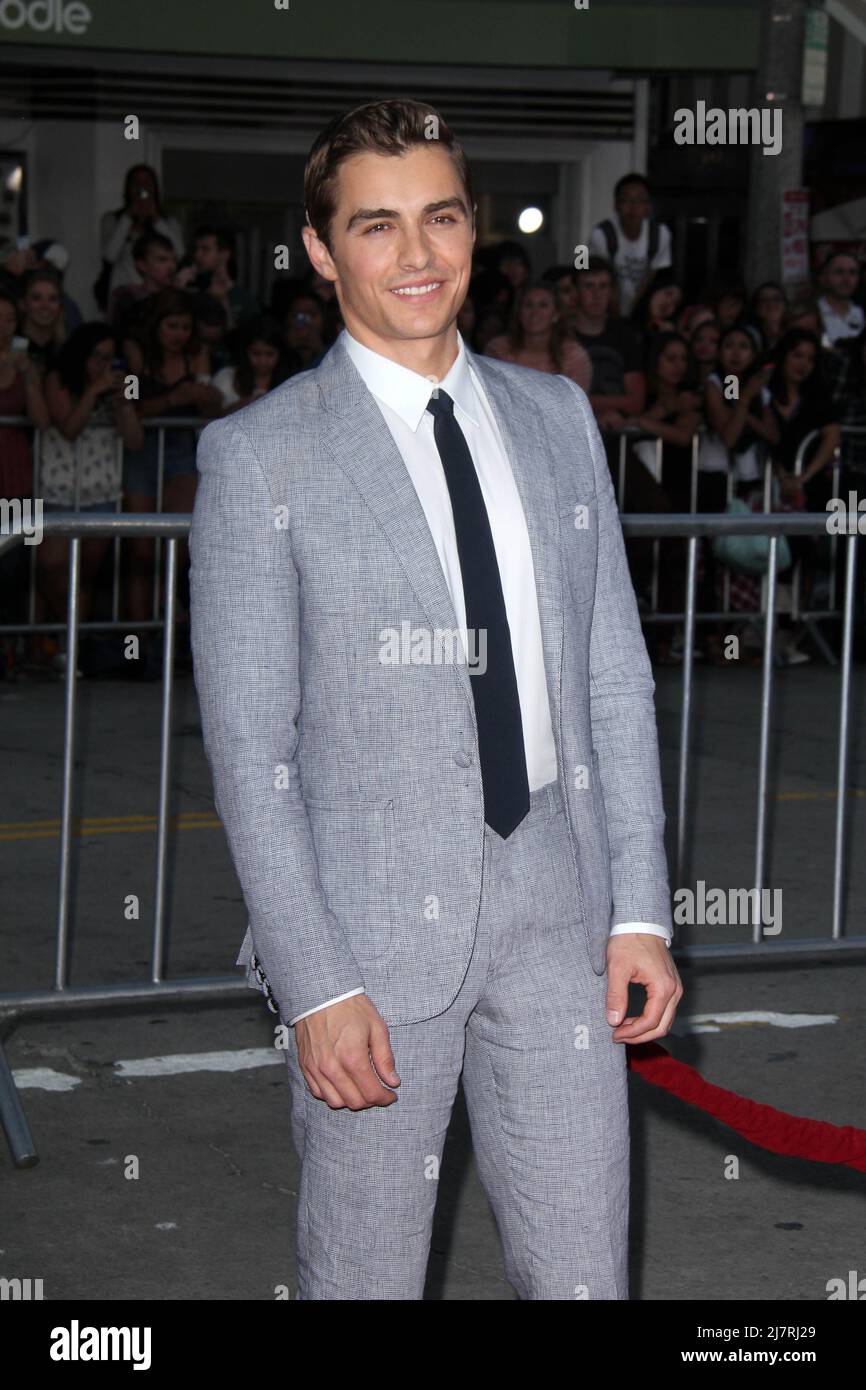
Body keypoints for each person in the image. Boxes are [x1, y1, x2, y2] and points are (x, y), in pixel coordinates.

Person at [189, 97, 681, 1303]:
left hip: (559, 919)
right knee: (363, 1279)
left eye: (440, 217)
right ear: (318, 249)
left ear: (473, 230)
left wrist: (639, 909)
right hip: (365, 946)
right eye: (375, 226)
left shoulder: (556, 417)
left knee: (582, 1279)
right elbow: (254, 750)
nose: (416, 255)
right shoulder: (261, 456)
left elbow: (610, 674)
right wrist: (313, 982)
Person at [37, 325, 144, 655]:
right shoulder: (58, 378)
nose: (103, 365)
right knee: (51, 565)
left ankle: (72, 649)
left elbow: (136, 442)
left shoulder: (124, 385)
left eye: (110, 359)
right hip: (56, 488)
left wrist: (123, 404)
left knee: (84, 574)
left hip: (103, 490)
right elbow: (68, 428)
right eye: (97, 357)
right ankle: (63, 633)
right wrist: (93, 391)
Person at [122, 289, 222, 637]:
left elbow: (210, 407)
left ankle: (165, 629)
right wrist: (175, 398)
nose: (179, 334)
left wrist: (205, 397)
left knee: (175, 544)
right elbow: (130, 405)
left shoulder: (198, 355)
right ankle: (138, 639)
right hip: (140, 452)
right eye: (171, 326)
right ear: (156, 325)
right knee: (140, 549)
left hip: (180, 450)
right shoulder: (136, 356)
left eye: (184, 327)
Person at [0, 289, 50, 668]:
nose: (4, 327)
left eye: (10, 320)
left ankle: (12, 648)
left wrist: (28, 378)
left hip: (17, 475)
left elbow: (41, 420)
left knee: (17, 566)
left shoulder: (25, 364)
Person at [571, 257, 644, 431]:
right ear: (575, 292)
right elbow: (556, 398)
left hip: (617, 429)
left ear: (612, 291)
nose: (597, 294)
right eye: (589, 286)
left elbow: (637, 401)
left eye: (603, 286)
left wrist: (585, 401)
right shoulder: (561, 335)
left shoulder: (625, 335)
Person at [97, 164, 185, 307]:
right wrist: (127, 219)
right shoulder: (113, 220)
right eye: (136, 183)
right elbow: (109, 256)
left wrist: (156, 219)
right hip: (124, 292)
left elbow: (179, 253)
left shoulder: (168, 222)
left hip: (158, 292)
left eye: (147, 183)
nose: (142, 187)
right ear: (128, 188)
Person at [589, 173, 673, 317]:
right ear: (616, 205)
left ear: (648, 207)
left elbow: (652, 275)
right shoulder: (600, 234)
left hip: (641, 308)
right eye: (626, 200)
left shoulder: (660, 234)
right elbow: (581, 266)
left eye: (639, 200)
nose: (632, 207)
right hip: (605, 309)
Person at [484, 279, 592, 389]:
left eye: (543, 305)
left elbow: (577, 403)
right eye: (528, 305)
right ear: (519, 311)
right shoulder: (498, 350)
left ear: (556, 314)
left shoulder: (573, 356)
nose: (534, 312)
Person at [176, 225, 261, 329]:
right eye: (196, 249)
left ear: (224, 254)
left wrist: (222, 301)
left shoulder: (245, 300)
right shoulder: (191, 291)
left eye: (205, 249)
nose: (197, 255)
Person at [108, 230, 179, 340]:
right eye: (162, 260)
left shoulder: (179, 296)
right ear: (142, 265)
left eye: (174, 260)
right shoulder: (126, 296)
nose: (171, 267)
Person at [212, 316, 291, 412]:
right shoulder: (226, 377)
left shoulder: (291, 383)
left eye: (270, 354)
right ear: (245, 352)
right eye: (256, 354)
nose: (263, 361)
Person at [17, 267, 67, 372]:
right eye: (36, 298)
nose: (45, 306)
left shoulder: (68, 351)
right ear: (23, 304)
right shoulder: (10, 347)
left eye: (52, 299)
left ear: (60, 305)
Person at [816, 251, 865, 346]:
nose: (846, 279)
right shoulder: (812, 312)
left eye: (852, 273)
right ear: (824, 277)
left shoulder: (861, 312)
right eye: (839, 272)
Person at [748, 281, 788, 352]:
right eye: (764, 300)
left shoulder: (795, 332)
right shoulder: (749, 337)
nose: (771, 304)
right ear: (756, 308)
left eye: (776, 299)